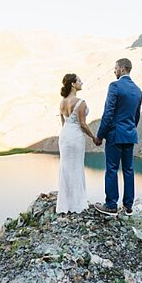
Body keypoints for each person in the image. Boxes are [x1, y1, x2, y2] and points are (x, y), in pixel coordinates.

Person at [95, 59, 142, 213]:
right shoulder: (137, 90)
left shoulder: (115, 86)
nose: (114, 71)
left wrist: (100, 135)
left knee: (112, 169)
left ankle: (111, 205)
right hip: (129, 135)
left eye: (115, 68)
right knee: (128, 170)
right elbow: (136, 116)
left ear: (122, 69)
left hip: (115, 135)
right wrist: (129, 129)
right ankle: (128, 206)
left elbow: (108, 114)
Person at [57, 71, 99, 213]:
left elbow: (63, 123)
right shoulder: (80, 102)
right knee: (76, 167)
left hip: (64, 136)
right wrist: (93, 137)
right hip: (75, 136)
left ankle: (65, 204)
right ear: (73, 85)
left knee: (66, 168)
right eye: (79, 81)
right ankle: (77, 204)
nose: (82, 83)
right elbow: (82, 124)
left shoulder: (62, 102)